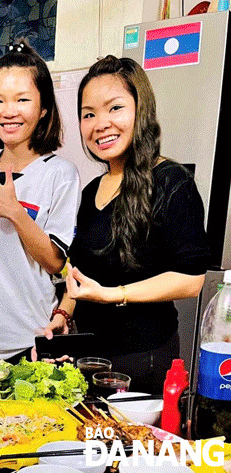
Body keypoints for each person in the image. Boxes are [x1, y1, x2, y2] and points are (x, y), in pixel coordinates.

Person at [56, 56, 209, 393]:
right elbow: (79, 270)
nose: (100, 123)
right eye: (89, 114)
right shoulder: (92, 190)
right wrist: (63, 315)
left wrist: (113, 296)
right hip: (91, 358)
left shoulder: (172, 182)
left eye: (115, 108)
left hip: (144, 358)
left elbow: (191, 280)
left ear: (141, 110)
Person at [0, 40, 80, 372]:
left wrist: (15, 213)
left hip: (30, 341)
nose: (9, 111)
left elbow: (55, 262)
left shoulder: (60, 174)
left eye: (22, 100)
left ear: (43, 108)